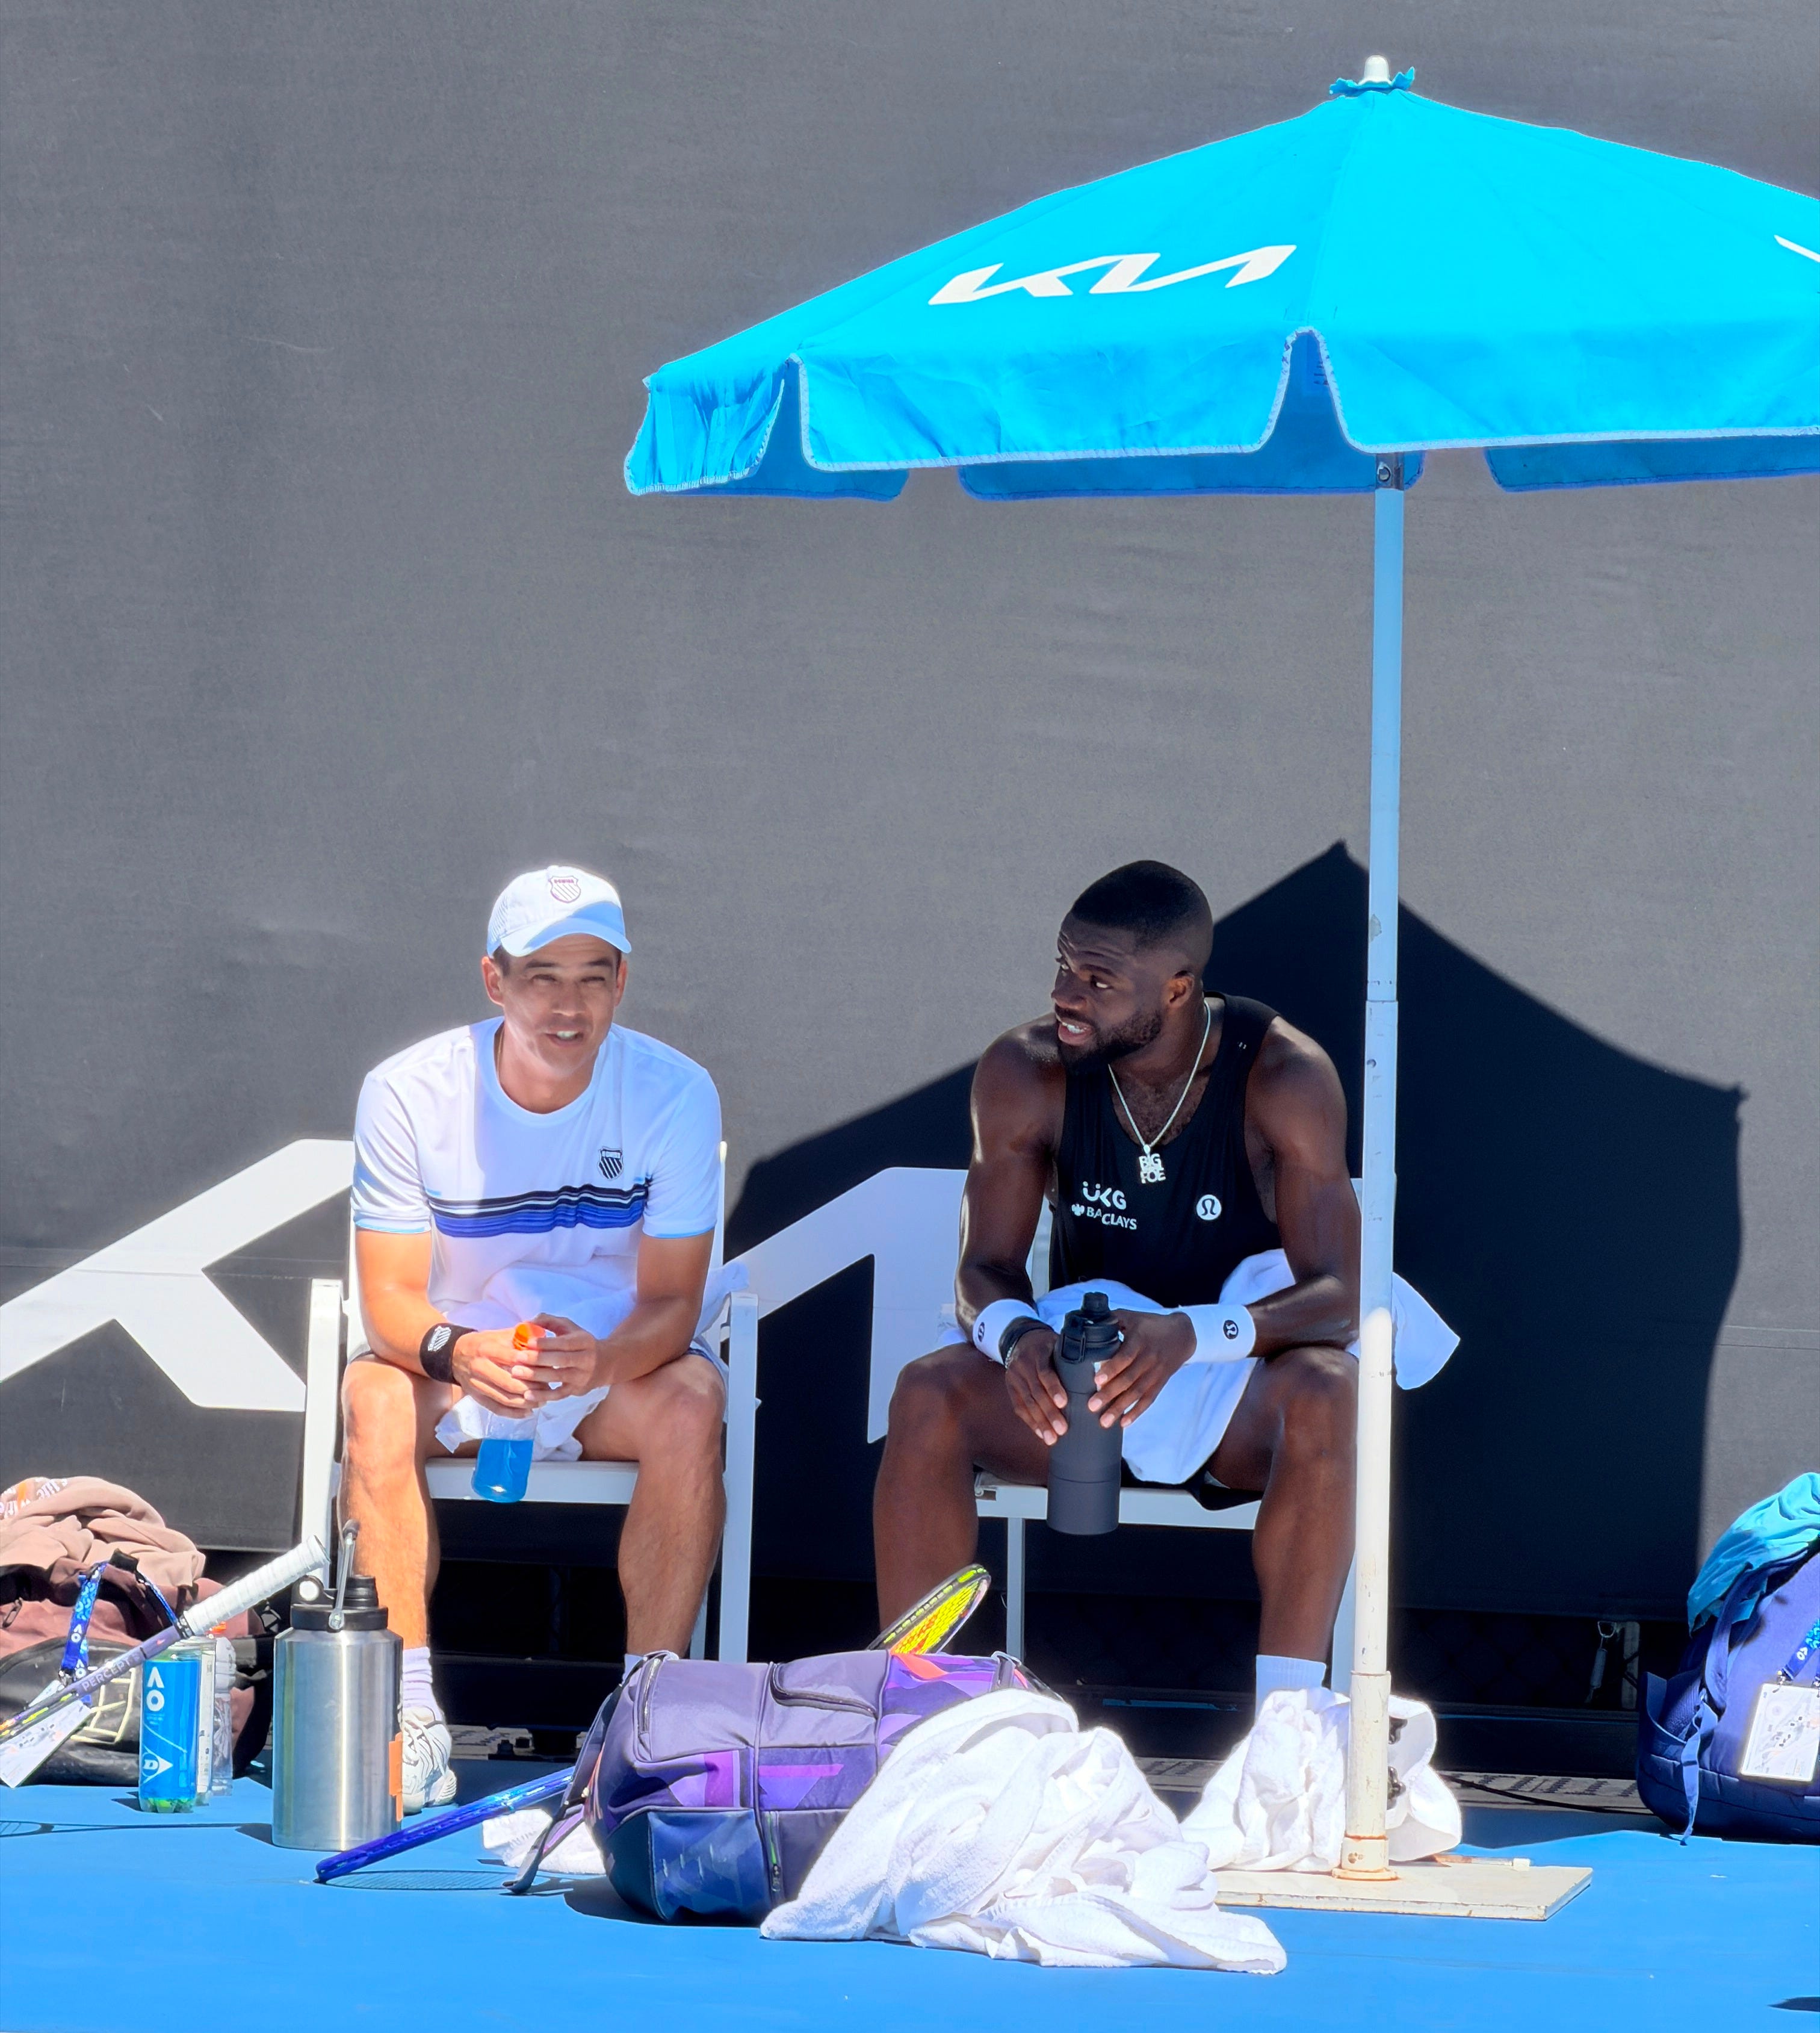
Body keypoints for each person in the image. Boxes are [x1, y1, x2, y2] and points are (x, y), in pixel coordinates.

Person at [874, 860, 1361, 1714]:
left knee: (1332, 1390)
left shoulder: (1283, 1074)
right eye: (1063, 966)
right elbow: (981, 1270)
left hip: (1233, 1377)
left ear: (1177, 988)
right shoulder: (1026, 1068)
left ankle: (1290, 1727)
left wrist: (1191, 1334)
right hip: (1088, 1383)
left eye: (1098, 981)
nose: (1066, 994)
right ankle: (915, 1710)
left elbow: (1343, 1295)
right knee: (927, 1392)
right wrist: (1019, 1339)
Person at [342, 865, 725, 1811]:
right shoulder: (407, 1092)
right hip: (454, 1367)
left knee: (693, 1401)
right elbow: (388, 1300)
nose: (569, 1005)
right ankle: (408, 1717)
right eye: (543, 976)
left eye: (594, 976)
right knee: (374, 1394)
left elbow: (673, 1302)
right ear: (494, 980)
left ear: (622, 982)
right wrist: (458, 1352)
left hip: (608, 1372)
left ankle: (645, 1721)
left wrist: (602, 1359)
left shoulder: (676, 1093)